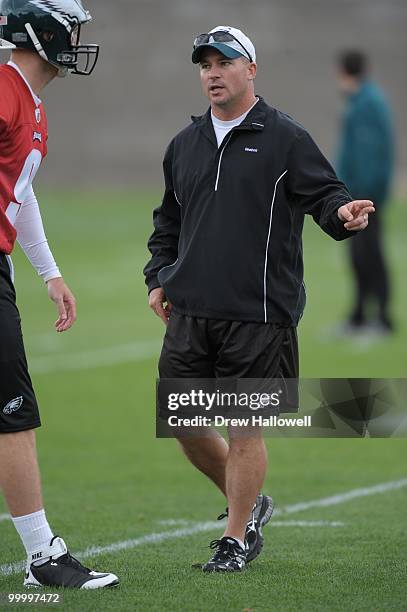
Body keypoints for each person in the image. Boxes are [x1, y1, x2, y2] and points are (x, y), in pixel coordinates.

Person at [144, 25, 375, 573]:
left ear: (251, 69)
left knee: (245, 426)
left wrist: (341, 216)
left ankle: (236, 535)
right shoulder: (185, 144)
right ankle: (250, 504)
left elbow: (325, 193)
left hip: (260, 313)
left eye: (223, 62)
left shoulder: (284, 137)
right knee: (183, 422)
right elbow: (167, 222)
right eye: (204, 65)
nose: (213, 73)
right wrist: (158, 276)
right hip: (190, 310)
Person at [0, 0, 118, 589]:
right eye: (70, 27)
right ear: (40, 30)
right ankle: (43, 556)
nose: (77, 38)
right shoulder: (1, 90)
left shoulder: (33, 104)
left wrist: (48, 273)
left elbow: (21, 193)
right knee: (13, 413)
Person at [336, 50, 394, 334]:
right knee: (359, 257)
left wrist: (363, 196)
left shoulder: (367, 104)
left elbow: (370, 154)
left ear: (344, 72)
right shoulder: (361, 101)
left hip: (365, 198)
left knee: (371, 256)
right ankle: (358, 317)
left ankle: (382, 319)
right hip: (357, 195)